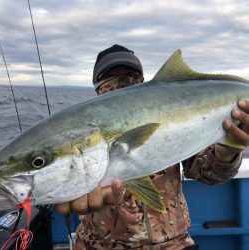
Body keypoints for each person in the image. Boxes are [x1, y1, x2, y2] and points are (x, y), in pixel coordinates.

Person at [56, 44, 249, 250]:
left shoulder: (172, 110)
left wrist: (228, 150)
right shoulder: (81, 130)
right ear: (98, 85)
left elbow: (208, 173)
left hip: (173, 243)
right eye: (110, 75)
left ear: (142, 81)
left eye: (131, 74)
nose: (122, 81)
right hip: (97, 245)